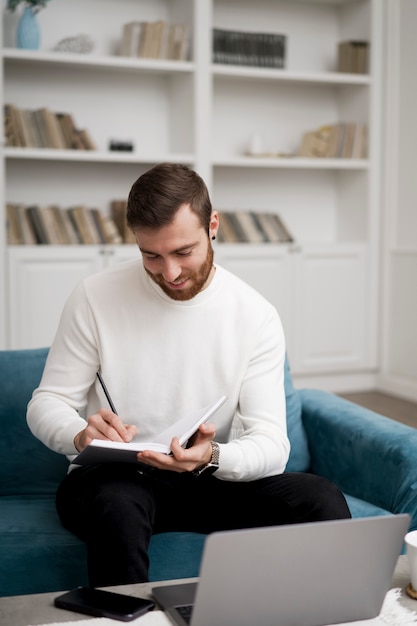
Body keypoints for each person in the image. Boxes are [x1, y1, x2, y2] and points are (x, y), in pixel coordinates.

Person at [27, 162, 350, 588]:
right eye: (151, 256)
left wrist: (213, 456)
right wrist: (80, 435)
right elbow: (46, 402)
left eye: (183, 252)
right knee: (120, 502)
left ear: (212, 225)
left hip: (205, 479)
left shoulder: (255, 315)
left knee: (320, 498)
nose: (171, 274)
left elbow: (272, 445)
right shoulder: (95, 295)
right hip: (115, 483)